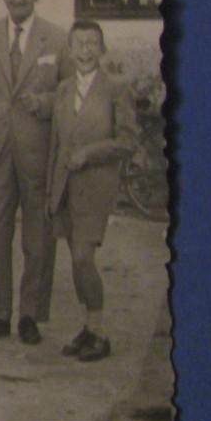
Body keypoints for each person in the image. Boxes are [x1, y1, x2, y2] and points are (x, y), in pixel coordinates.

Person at [0, 0, 70, 345]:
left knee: (38, 237)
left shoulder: (58, 40)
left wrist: (44, 102)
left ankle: (30, 315)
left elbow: (69, 93)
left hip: (39, 151)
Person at [46, 21, 136, 363]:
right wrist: (50, 194)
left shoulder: (116, 89)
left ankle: (100, 333)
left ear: (102, 50)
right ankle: (87, 326)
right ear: (69, 50)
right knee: (76, 260)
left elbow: (126, 142)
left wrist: (91, 153)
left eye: (92, 44)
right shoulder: (64, 89)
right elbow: (56, 144)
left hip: (96, 188)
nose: (85, 51)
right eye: (78, 44)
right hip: (65, 190)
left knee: (84, 257)